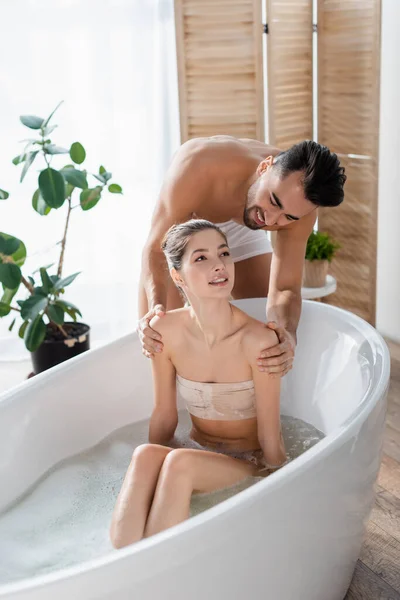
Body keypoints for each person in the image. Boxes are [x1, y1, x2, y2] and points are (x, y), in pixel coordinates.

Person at [110, 220, 288, 549]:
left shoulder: (258, 340)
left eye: (224, 253)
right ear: (178, 276)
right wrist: (153, 472)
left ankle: (153, 572)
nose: (219, 265)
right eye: (202, 258)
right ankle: (116, 567)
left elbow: (270, 433)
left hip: (245, 462)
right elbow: (164, 415)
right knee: (145, 454)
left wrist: (277, 482)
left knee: (180, 464)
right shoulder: (164, 331)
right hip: (196, 450)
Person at [137, 136, 346, 379]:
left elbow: (286, 288)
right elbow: (155, 250)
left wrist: (287, 334)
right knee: (160, 337)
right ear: (264, 167)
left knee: (266, 339)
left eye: (286, 217)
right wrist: (156, 307)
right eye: (274, 201)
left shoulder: (299, 210)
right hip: (189, 221)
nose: (270, 221)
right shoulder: (199, 164)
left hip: (245, 221)